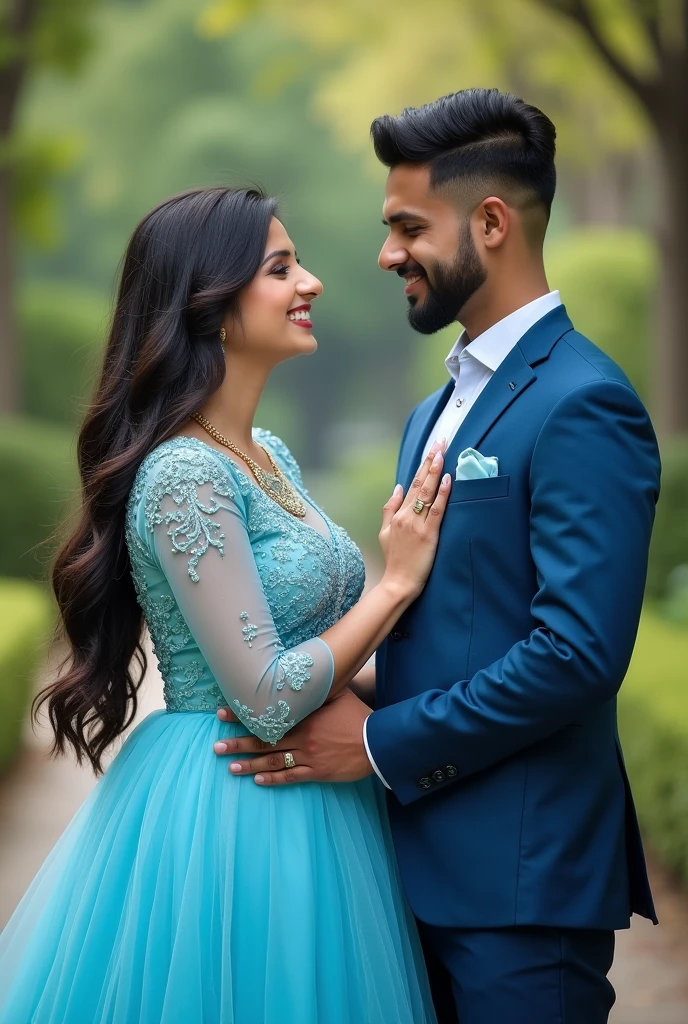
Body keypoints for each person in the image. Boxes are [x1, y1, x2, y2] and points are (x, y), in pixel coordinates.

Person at [215, 89, 661, 1024]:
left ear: (491, 222)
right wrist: (324, 688)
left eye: (407, 227)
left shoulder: (584, 402)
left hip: (520, 893)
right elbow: (454, 622)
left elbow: (577, 653)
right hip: (398, 879)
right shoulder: (432, 411)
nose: (384, 256)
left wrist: (376, 744)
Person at [0, 186, 448, 1024]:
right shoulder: (184, 474)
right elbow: (268, 694)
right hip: (233, 803)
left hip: (322, 797)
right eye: (281, 268)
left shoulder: (265, 453)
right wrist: (395, 585)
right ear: (209, 304)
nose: (310, 282)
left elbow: (317, 642)